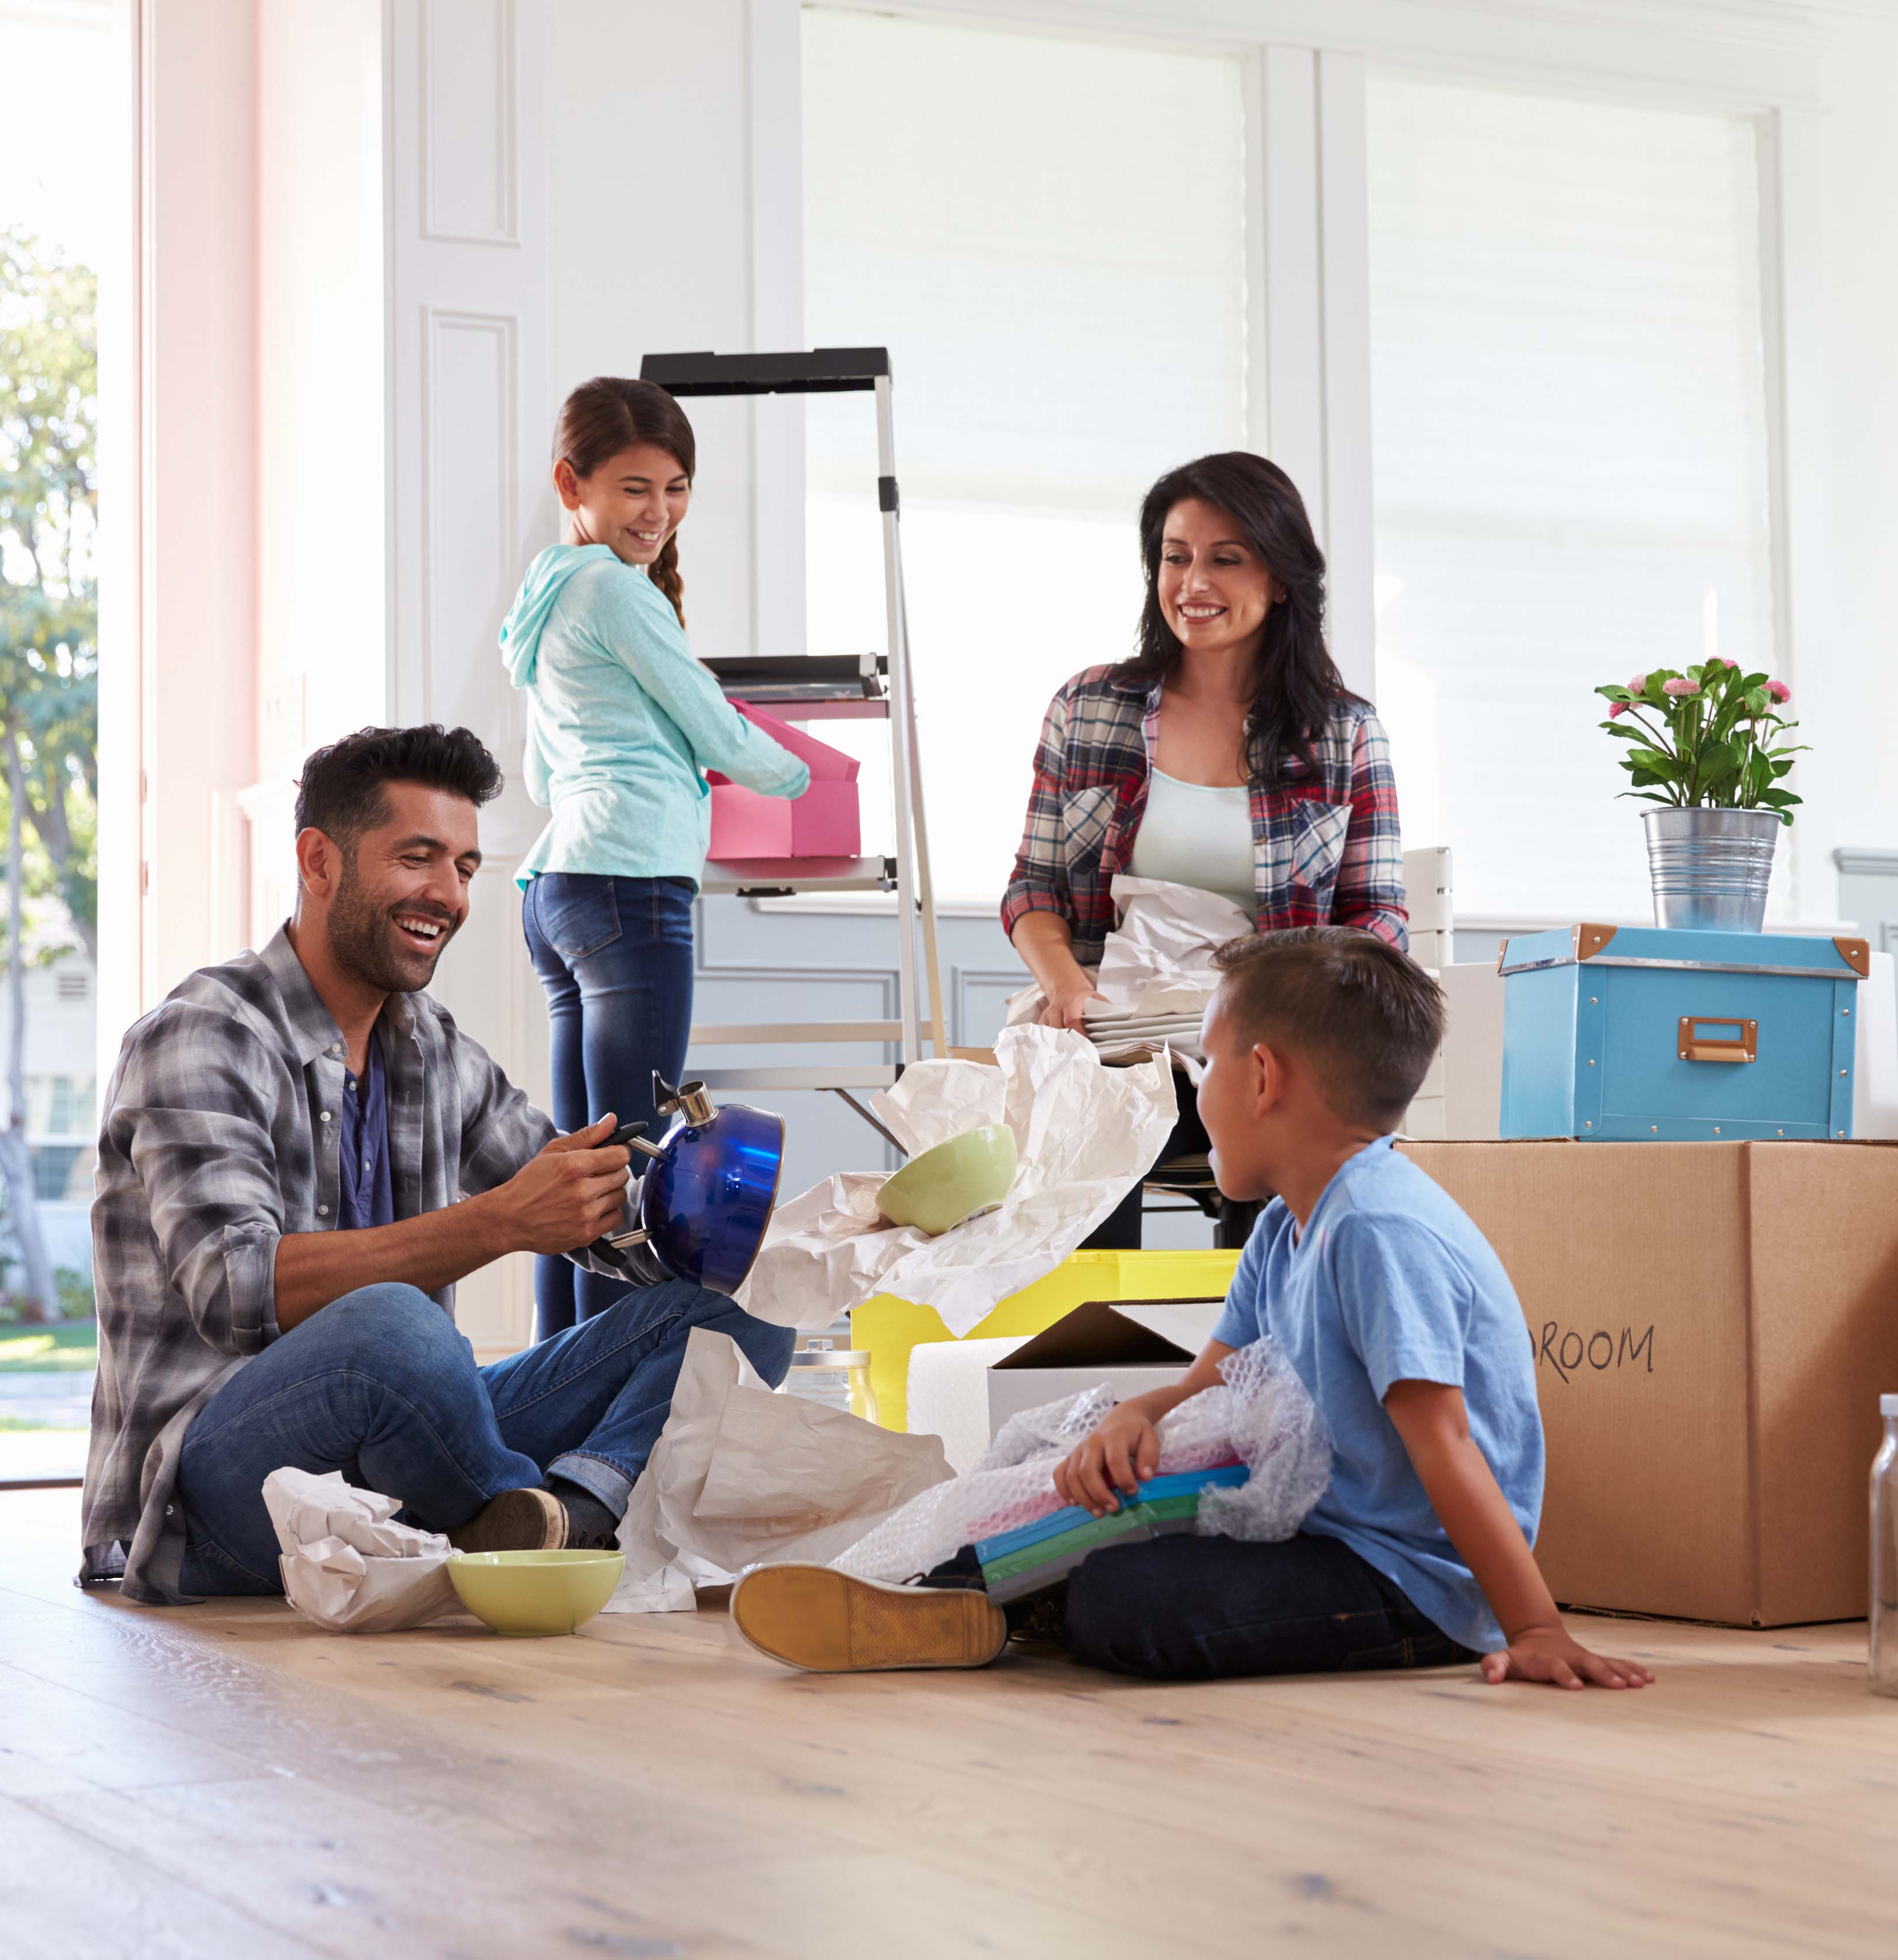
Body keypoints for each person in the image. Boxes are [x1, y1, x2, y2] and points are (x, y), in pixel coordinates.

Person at [727, 927, 1652, 1691]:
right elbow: (1207, 1383)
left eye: (1201, 1063)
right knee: (1084, 1496)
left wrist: (1531, 1626)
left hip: (1410, 1583)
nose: (1192, 1090)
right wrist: (1135, 1416)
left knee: (1128, 1602)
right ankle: (942, 1591)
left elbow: (1444, 1442)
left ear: (1261, 1078)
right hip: (1322, 1530)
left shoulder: (1376, 1230)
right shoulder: (1289, 1229)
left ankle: (969, 1603)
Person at [78, 724, 792, 1605]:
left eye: (464, 868)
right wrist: (499, 1223)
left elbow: (574, 1201)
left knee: (746, 1309)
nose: (447, 894)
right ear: (319, 861)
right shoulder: (204, 1034)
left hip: (396, 1462)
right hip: (215, 1499)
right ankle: (504, 1509)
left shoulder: (430, 1047)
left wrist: (710, 1213)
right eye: (418, 858)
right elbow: (234, 1289)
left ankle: (558, 1517)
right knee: (393, 1327)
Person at [1000, 452, 1405, 1249]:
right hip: (1108, 1034)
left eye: (1227, 559)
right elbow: (1033, 888)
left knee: (1277, 1110)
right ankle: (1082, 1349)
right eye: (1177, 557)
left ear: (1282, 578)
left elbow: (1377, 921)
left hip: (1265, 1044)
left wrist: (1276, 1001)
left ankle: (1260, 1352)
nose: (1194, 583)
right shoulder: (1090, 708)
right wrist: (1067, 987)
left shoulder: (1344, 733)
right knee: (1077, 1109)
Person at [502, 376, 810, 1342]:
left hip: (562, 887)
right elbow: (715, 725)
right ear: (573, 483)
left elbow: (542, 772)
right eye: (635, 488)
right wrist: (799, 773)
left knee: (582, 1171)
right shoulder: (615, 591)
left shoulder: (549, 593)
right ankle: (606, 1412)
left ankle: (548, 1393)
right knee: (634, 1166)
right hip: (628, 887)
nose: (659, 513)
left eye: (676, 488)